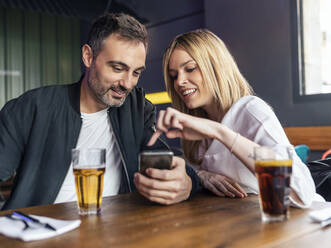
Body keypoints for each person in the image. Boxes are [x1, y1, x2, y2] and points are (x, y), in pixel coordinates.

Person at [0, 13, 200, 210]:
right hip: (40, 233)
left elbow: (165, 163)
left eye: (136, 72)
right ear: (88, 56)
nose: (127, 83)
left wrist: (190, 181)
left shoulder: (136, 109)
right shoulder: (33, 107)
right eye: (117, 68)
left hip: (116, 233)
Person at [148, 29, 320, 207]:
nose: (179, 82)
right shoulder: (195, 123)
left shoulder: (251, 109)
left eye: (190, 68)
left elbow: (302, 194)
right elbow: (196, 172)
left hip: (304, 223)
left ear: (215, 65)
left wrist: (219, 132)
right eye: (173, 76)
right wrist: (201, 176)